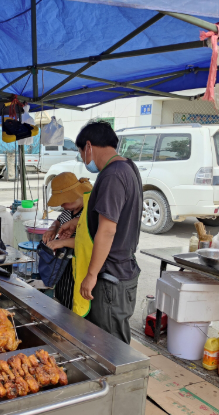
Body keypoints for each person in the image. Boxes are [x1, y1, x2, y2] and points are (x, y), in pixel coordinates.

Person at [71, 120, 143, 344]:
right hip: (121, 271)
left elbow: (108, 230)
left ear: (89, 147)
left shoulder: (112, 175)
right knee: (105, 342)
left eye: (81, 152)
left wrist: (91, 276)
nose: (83, 159)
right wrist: (75, 225)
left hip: (111, 277)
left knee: (111, 346)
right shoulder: (128, 167)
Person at [42, 173, 92, 310]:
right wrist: (52, 229)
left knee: (74, 305)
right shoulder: (67, 211)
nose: (63, 205)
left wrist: (62, 243)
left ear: (76, 195)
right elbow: (58, 221)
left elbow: (87, 242)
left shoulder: (89, 213)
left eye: (65, 201)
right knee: (62, 301)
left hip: (79, 268)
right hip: (63, 267)